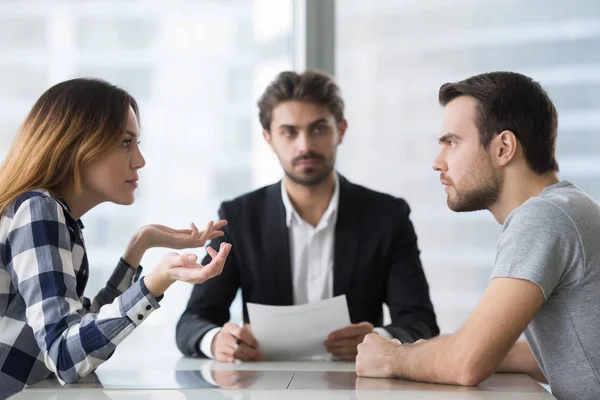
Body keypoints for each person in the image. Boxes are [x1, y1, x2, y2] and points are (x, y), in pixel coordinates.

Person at [355, 71, 600, 400]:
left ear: (503, 148)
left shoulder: (541, 218)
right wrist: (458, 350)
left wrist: (391, 357)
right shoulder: (572, 207)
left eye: (452, 143)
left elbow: (466, 365)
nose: (437, 162)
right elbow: (579, 351)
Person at [176, 70, 438, 363]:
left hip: (357, 385)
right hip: (266, 388)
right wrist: (217, 342)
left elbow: (420, 321)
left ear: (341, 130)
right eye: (289, 131)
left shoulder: (388, 216)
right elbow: (193, 321)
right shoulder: (238, 218)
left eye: (318, 129)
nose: (305, 146)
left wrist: (380, 340)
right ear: (268, 138)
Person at [0, 78, 231, 399]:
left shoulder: (53, 216)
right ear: (78, 143)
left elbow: (76, 330)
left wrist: (140, 245)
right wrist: (156, 281)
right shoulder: (39, 211)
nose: (139, 160)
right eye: (126, 142)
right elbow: (65, 355)